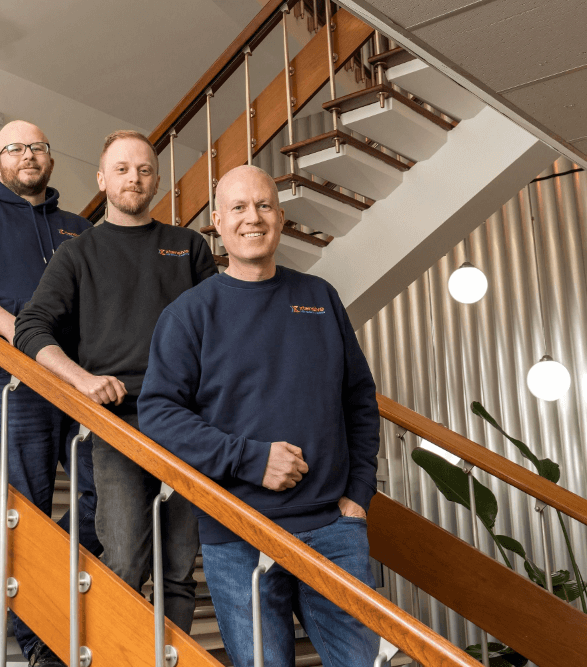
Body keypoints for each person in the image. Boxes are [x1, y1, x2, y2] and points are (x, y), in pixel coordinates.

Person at [137, 165, 381, 667]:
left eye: (264, 205)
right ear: (219, 224)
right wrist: (249, 459)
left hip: (334, 531)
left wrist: (358, 493)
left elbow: (359, 398)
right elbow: (158, 413)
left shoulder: (320, 297)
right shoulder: (189, 313)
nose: (254, 217)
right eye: (240, 208)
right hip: (238, 534)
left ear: (282, 217)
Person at [14, 130, 216, 639]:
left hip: (187, 426)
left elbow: (225, 332)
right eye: (122, 169)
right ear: (103, 179)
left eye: (144, 170)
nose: (134, 178)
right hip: (117, 424)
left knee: (177, 571)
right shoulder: (78, 255)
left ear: (157, 180)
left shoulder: (188, 248)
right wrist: (82, 381)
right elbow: (30, 327)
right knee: (124, 558)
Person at [0, 120, 99, 667]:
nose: (28, 155)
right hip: (12, 377)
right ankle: (38, 642)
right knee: (25, 511)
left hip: (82, 381)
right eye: (16, 148)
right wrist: (21, 338)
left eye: (38, 147)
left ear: (50, 159)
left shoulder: (79, 227)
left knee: (106, 498)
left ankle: (74, 588)